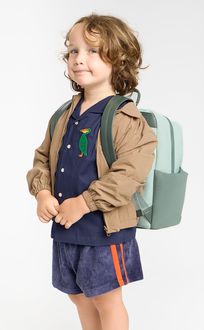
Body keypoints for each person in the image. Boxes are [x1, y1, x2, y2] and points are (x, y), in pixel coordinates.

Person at [26, 13, 157, 330]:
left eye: (92, 51)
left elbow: (129, 174)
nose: (78, 59)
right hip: (66, 229)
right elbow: (42, 157)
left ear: (119, 58)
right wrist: (42, 192)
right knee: (79, 296)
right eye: (73, 50)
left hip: (104, 231)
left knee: (106, 299)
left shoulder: (125, 116)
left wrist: (83, 203)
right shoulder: (63, 114)